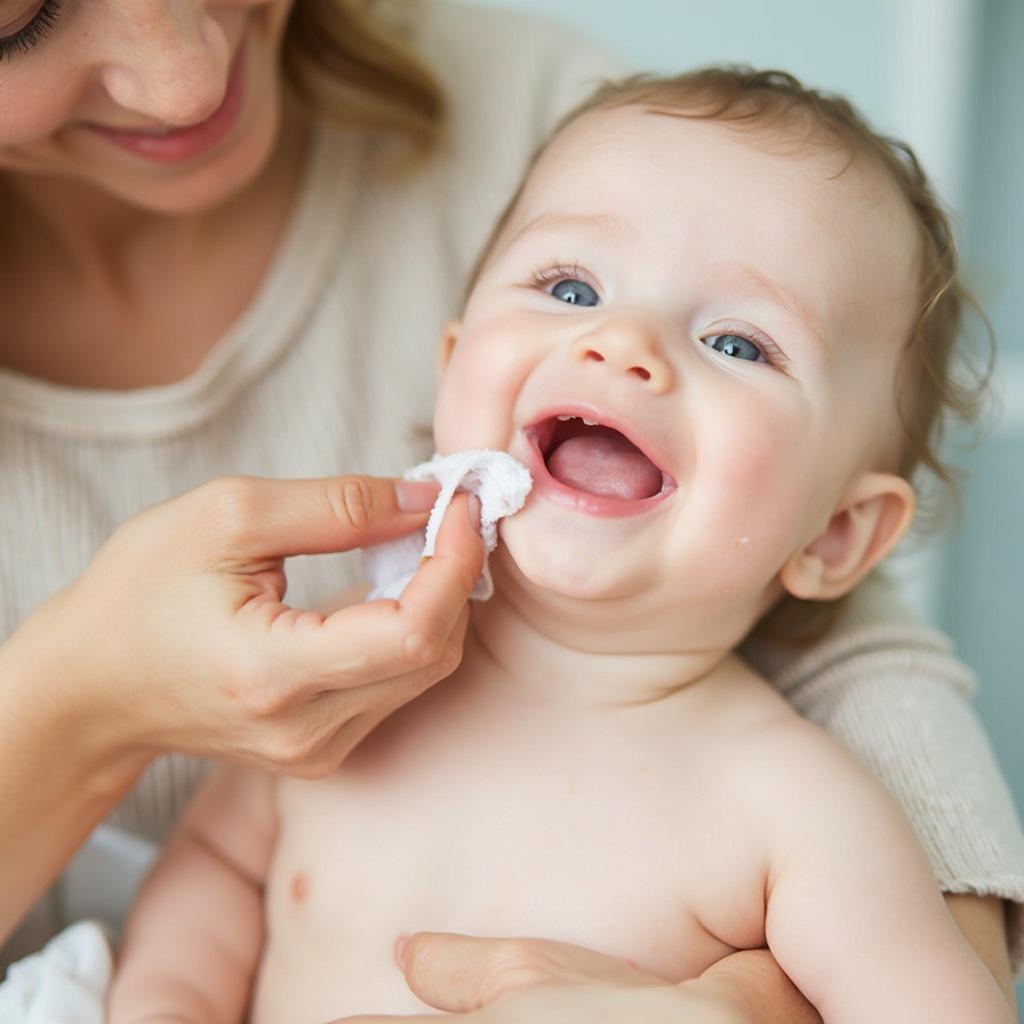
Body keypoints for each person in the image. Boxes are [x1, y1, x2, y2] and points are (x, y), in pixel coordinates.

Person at [0, 1, 1020, 1020]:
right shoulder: (343, 694)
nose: (623, 344)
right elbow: (218, 865)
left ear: (836, 536)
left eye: (739, 343)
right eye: (570, 288)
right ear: (449, 375)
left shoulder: (798, 811)